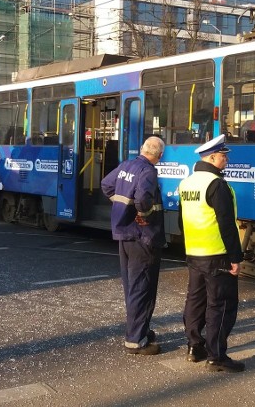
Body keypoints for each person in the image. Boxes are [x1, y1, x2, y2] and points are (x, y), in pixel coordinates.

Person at [178, 134, 244, 373]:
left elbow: (180, 221)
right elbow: (226, 224)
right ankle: (217, 356)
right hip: (218, 254)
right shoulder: (217, 184)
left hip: (194, 252)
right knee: (221, 304)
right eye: (223, 156)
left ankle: (194, 347)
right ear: (212, 157)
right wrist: (236, 257)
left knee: (195, 301)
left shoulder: (187, 183)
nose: (226, 160)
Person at [101, 136, 166, 355]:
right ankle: (136, 340)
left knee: (132, 286)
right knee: (143, 287)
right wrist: (142, 214)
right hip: (144, 237)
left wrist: (123, 208)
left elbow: (106, 185)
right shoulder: (148, 171)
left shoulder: (126, 165)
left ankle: (140, 329)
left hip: (124, 235)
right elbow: (143, 200)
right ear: (159, 155)